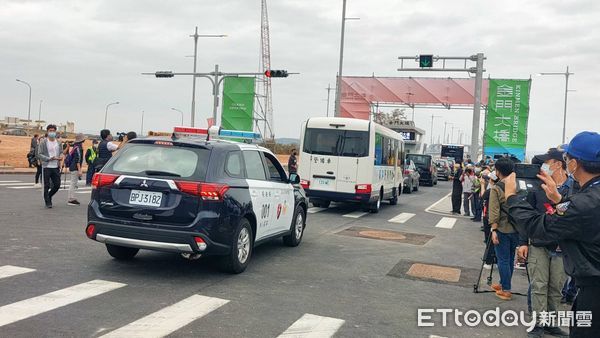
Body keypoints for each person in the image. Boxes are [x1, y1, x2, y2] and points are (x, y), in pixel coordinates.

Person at [506, 131, 600, 338]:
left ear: (574, 164)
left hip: (594, 292)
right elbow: (575, 216)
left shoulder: (583, 202)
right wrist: (558, 200)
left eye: (566, 159)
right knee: (540, 286)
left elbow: (537, 226)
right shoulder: (586, 196)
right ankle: (540, 323)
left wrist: (511, 197)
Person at [518, 148, 574, 338]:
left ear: (558, 164)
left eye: (546, 163)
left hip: (562, 247)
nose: (543, 167)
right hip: (539, 244)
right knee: (539, 285)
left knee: (556, 288)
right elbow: (527, 216)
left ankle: (551, 323)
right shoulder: (537, 187)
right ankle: (538, 325)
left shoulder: (574, 187)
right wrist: (523, 242)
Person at [489, 157, 518, 300]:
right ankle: (503, 283)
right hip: (517, 229)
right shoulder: (517, 186)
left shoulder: (497, 188)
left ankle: (506, 289)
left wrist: (493, 230)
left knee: (503, 260)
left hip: (502, 228)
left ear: (498, 171)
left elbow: (494, 211)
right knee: (510, 258)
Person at [37, 125, 63, 208]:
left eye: (53, 131)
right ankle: (47, 202)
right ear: (47, 132)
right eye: (50, 130)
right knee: (46, 185)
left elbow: (61, 152)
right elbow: (39, 154)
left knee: (57, 185)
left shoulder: (58, 142)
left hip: (56, 166)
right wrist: (48, 158)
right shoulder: (43, 142)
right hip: (47, 166)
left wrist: (61, 157)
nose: (52, 132)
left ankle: (49, 195)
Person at [67, 134, 85, 206]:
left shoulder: (75, 146)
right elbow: (78, 159)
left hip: (72, 167)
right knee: (73, 183)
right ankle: (71, 199)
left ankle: (72, 198)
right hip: (75, 167)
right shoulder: (79, 148)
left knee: (73, 183)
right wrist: (80, 170)